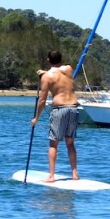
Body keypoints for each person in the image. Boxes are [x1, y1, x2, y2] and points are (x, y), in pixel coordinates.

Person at [31, 49, 80, 182]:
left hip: (59, 109)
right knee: (70, 143)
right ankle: (75, 174)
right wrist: (44, 73)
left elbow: (42, 101)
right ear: (61, 59)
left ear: (48, 60)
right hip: (74, 108)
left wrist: (36, 118)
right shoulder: (69, 69)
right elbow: (59, 71)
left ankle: (51, 176)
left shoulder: (47, 77)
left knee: (53, 144)